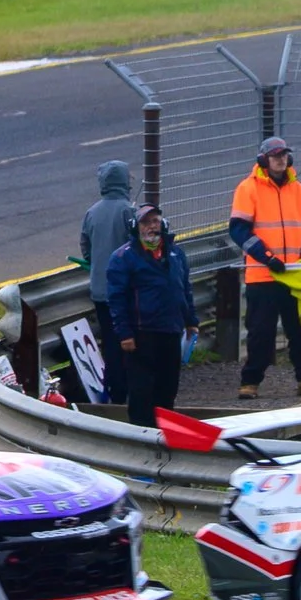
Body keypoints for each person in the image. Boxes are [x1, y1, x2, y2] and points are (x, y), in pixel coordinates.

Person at [228, 135, 301, 399]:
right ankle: (250, 382)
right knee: (260, 333)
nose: (280, 159)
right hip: (262, 275)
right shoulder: (248, 189)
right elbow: (238, 229)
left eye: (283, 155)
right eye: (275, 155)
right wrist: (267, 257)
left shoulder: (298, 189)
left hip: (294, 275)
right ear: (264, 160)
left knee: (300, 331)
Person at [107, 204, 197, 429]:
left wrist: (191, 321)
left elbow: (184, 288)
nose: (151, 227)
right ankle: (141, 433)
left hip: (171, 329)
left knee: (168, 386)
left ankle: (165, 432)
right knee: (141, 389)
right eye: (145, 222)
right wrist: (125, 333)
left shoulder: (176, 253)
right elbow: (116, 299)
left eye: (155, 221)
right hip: (141, 332)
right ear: (136, 227)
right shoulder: (122, 257)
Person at [77, 160, 137, 404]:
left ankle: (114, 389)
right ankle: (131, 389)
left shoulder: (92, 212)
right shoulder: (129, 211)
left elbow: (86, 248)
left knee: (110, 342)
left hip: (100, 291)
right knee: (131, 340)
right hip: (126, 291)